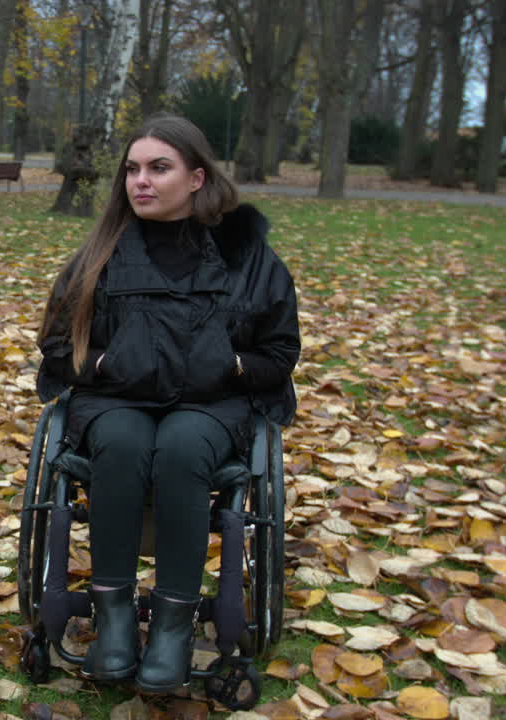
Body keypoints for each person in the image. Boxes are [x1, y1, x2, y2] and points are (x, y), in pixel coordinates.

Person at [35, 113, 300, 690]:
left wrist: (229, 365)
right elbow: (56, 345)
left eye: (159, 168)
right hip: (114, 399)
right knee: (126, 444)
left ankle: (175, 624)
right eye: (132, 170)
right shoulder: (102, 252)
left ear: (198, 178)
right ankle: (114, 617)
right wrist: (106, 364)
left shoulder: (247, 259)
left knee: (181, 448)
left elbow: (280, 351)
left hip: (212, 404)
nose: (141, 182)